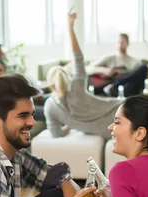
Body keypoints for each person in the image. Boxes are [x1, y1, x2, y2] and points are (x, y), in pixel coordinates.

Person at [44, 12, 122, 140]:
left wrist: (71, 125)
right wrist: (70, 28)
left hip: (107, 131)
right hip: (120, 112)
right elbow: (78, 58)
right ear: (66, 77)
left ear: (50, 85)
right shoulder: (76, 86)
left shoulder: (49, 106)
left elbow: (56, 134)